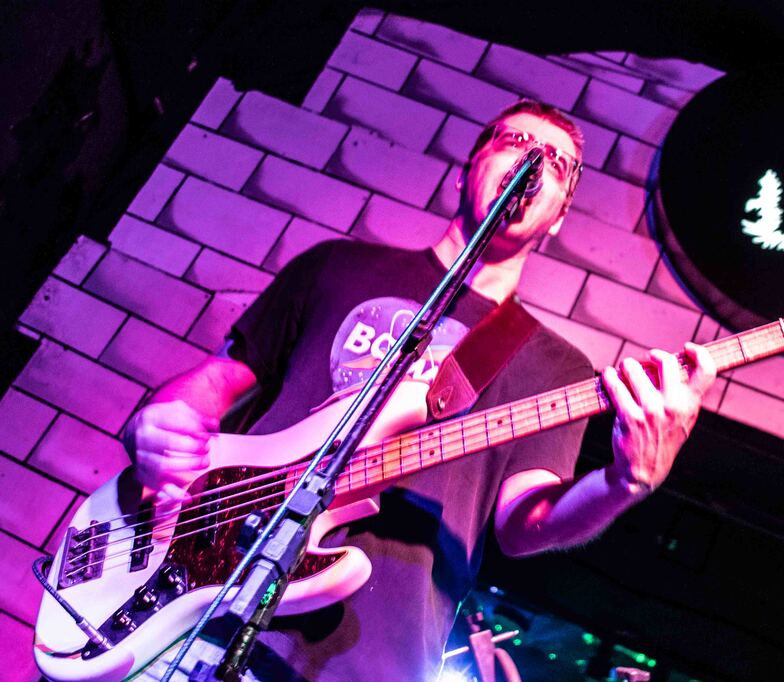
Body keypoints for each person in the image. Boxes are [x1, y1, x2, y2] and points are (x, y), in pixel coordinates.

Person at [125, 99, 716, 680]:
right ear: (468, 168)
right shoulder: (337, 265)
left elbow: (522, 524)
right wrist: (158, 424)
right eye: (515, 141)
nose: (532, 160)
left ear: (558, 216)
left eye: (557, 163)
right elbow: (219, 379)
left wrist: (624, 482)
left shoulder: (555, 365)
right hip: (188, 599)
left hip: (362, 662)